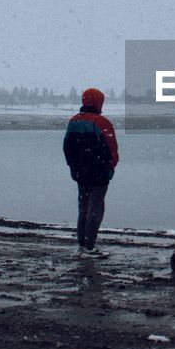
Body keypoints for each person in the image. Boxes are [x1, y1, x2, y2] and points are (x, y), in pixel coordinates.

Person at [62, 87, 119, 257]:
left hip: (81, 174)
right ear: (98, 102)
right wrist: (109, 167)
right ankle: (89, 246)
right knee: (95, 209)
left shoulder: (73, 122)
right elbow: (112, 150)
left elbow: (67, 148)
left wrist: (74, 167)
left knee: (84, 209)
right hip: (98, 174)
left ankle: (81, 245)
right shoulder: (103, 123)